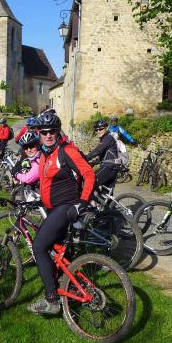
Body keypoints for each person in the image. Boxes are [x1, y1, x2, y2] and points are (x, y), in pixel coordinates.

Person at [27, 112, 95, 315]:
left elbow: (89, 175)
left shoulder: (67, 151)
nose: (48, 135)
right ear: (38, 133)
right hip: (54, 208)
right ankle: (70, 284)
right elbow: (48, 182)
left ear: (58, 132)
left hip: (66, 208)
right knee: (56, 249)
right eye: (44, 132)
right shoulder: (46, 153)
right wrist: (40, 198)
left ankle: (52, 300)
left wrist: (82, 203)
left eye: (52, 132)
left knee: (39, 246)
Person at [86, 119, 120, 189]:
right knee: (106, 193)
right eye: (96, 130)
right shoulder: (105, 138)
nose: (98, 131)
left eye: (101, 129)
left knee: (90, 181)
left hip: (109, 167)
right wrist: (93, 163)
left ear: (106, 128)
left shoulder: (108, 138)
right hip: (112, 167)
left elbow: (97, 151)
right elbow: (104, 156)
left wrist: (84, 158)